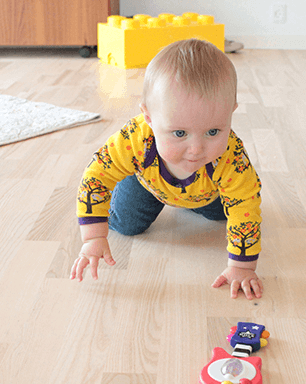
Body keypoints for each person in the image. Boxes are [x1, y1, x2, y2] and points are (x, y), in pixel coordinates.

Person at [72, 39, 263, 299]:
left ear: (231, 112)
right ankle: (124, 194)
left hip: (208, 191)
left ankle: (196, 201)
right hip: (147, 183)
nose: (196, 149)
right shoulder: (134, 139)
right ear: (149, 118)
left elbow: (245, 207)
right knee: (127, 225)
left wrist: (241, 267)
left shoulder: (232, 157)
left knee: (225, 216)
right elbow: (96, 177)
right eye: (180, 133)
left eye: (213, 131)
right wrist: (93, 238)